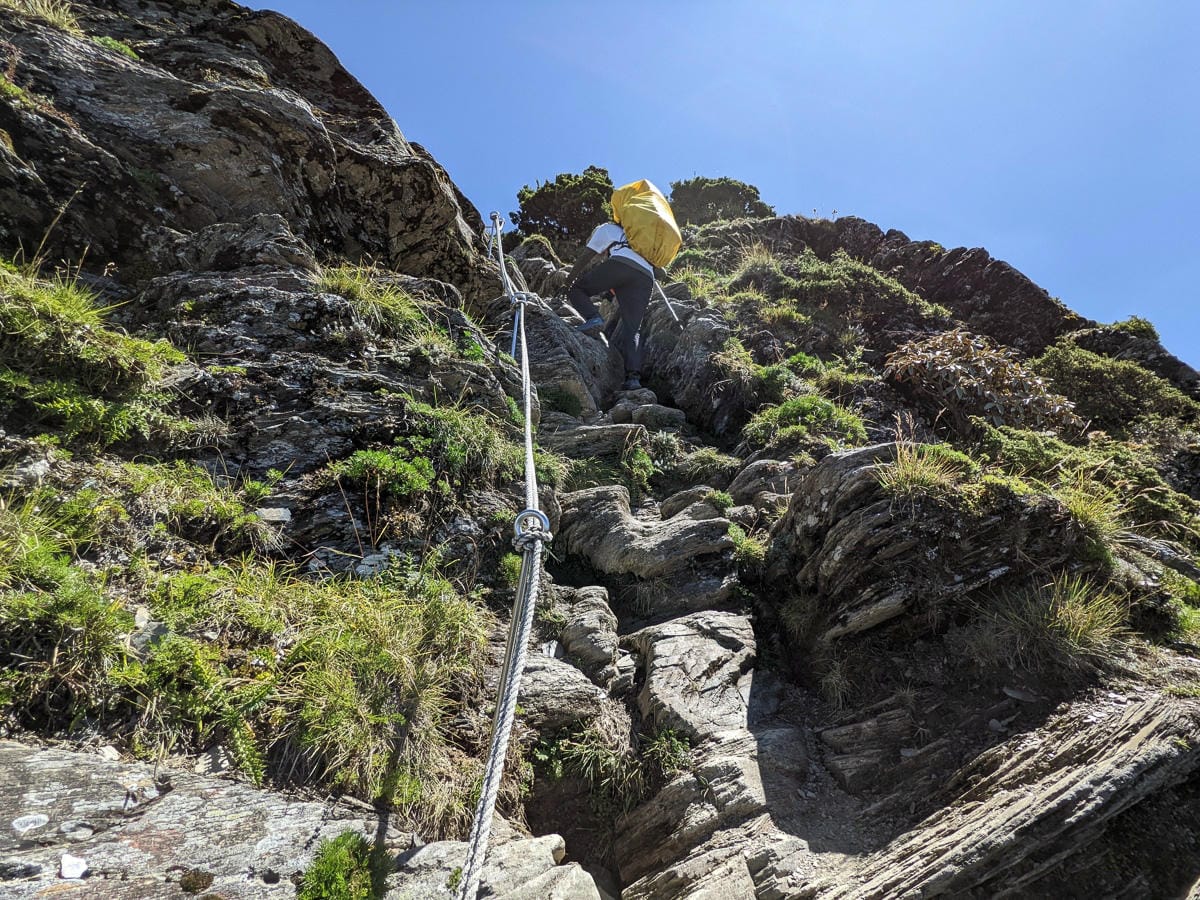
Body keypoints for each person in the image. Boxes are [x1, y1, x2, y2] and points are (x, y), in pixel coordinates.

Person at [566, 220, 654, 391]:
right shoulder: (636, 239)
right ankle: (633, 378)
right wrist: (607, 295)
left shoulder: (605, 228)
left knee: (576, 289)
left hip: (622, 263)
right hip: (646, 276)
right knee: (633, 329)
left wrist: (569, 280)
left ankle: (594, 318)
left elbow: (587, 255)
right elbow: (621, 284)